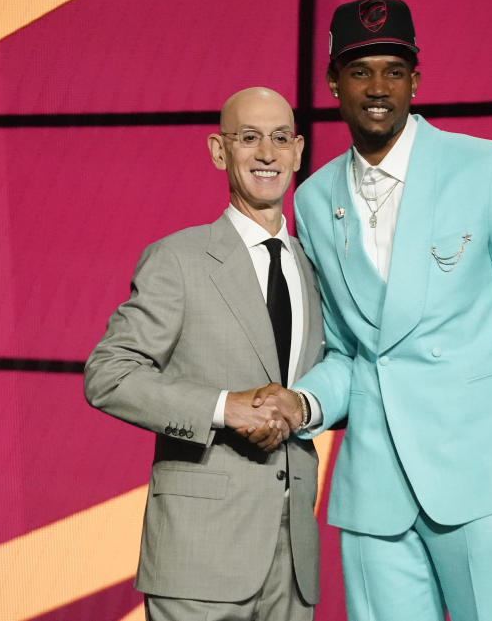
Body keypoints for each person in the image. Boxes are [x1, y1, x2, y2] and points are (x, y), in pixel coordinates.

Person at [259, 0, 492, 621]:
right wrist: (302, 403)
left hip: (484, 483)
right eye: (361, 71)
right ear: (333, 82)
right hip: (375, 495)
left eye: (394, 70)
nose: (379, 87)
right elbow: (348, 353)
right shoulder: (311, 201)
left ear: (417, 80)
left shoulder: (488, 170)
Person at [84, 87, 324, 621]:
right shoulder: (178, 259)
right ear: (219, 151)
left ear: (299, 152)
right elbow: (108, 374)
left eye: (280, 138)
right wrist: (225, 407)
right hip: (199, 560)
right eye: (249, 138)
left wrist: (303, 407)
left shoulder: (320, 266)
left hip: (293, 565)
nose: (267, 153)